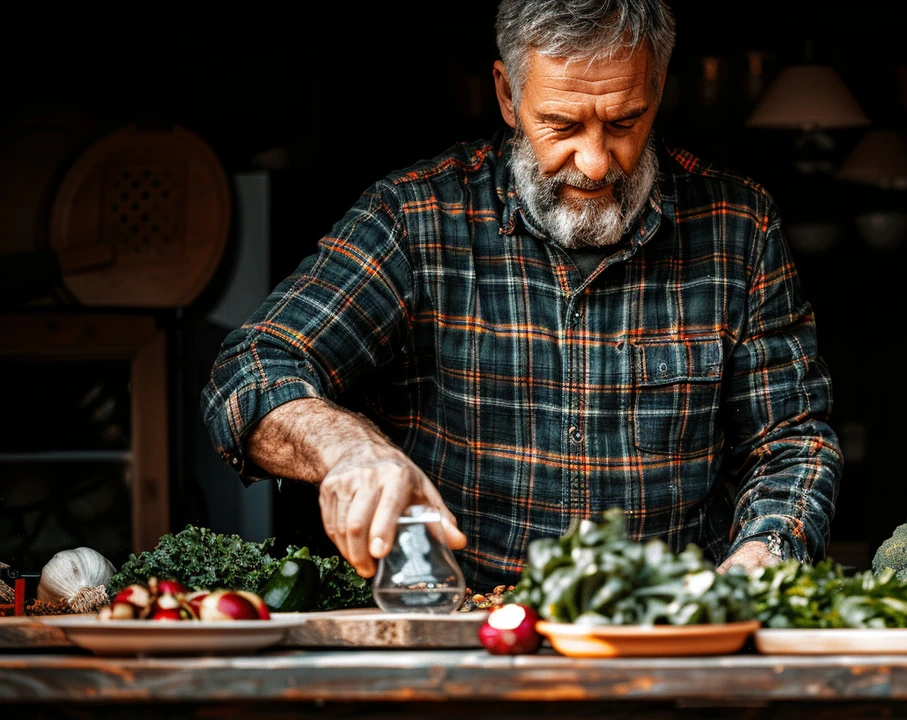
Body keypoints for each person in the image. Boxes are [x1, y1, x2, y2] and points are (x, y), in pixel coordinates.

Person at [201, 0, 841, 589]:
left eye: (625, 120)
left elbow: (790, 440)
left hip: (665, 635)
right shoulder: (415, 217)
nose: (595, 161)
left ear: (658, 88)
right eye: (561, 123)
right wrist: (348, 449)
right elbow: (250, 371)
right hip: (455, 637)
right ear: (508, 94)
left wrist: (764, 554)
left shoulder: (738, 225)